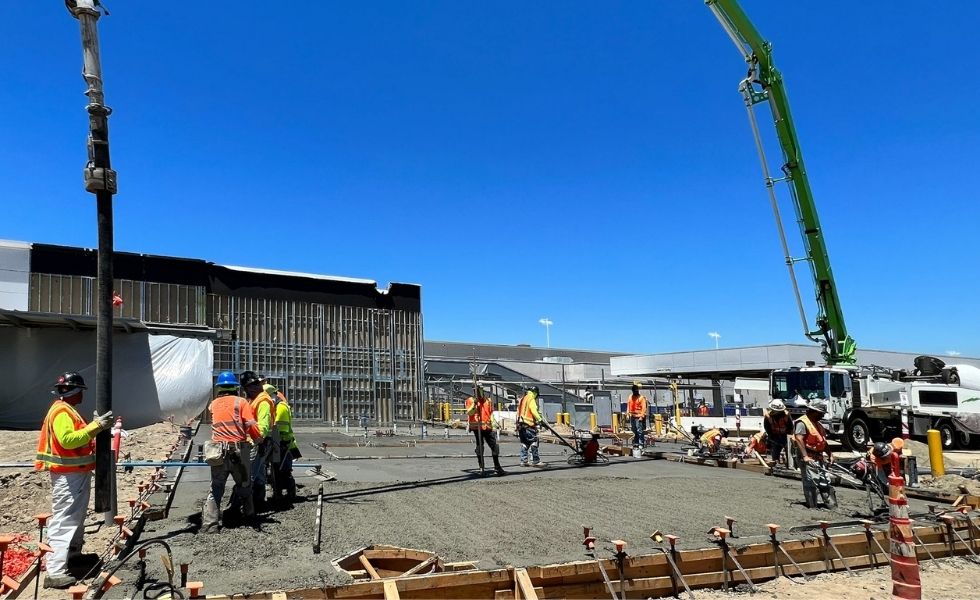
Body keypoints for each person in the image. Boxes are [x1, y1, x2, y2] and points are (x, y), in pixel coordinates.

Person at [35, 372, 113, 589]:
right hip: (68, 475)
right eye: (81, 392)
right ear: (75, 391)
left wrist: (94, 426)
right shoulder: (61, 412)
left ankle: (73, 556)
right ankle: (56, 571)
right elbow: (68, 441)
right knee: (65, 519)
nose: (82, 396)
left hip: (74, 473)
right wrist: (96, 426)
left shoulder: (68, 411)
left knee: (75, 517)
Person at [202, 371, 262, 532]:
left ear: (220, 388)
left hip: (218, 451)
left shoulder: (213, 404)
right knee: (245, 486)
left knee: (216, 488)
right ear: (236, 387)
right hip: (239, 450)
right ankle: (249, 518)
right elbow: (250, 424)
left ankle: (210, 525)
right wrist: (258, 439)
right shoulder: (241, 402)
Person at [241, 370, 278, 510]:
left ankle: (250, 505)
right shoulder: (255, 400)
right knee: (259, 474)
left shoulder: (263, 401)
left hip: (260, 442)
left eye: (246, 388)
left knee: (251, 474)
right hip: (258, 441)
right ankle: (259, 503)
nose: (246, 392)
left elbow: (263, 425)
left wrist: (257, 441)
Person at [793, 400, 836, 508]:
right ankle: (812, 505)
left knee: (825, 480)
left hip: (819, 456)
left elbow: (822, 441)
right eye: (821, 413)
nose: (822, 415)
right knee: (811, 482)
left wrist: (830, 454)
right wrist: (805, 456)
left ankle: (830, 504)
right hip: (808, 456)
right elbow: (799, 439)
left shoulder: (818, 424)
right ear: (814, 411)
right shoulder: (802, 423)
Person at [268, 383, 301, 502]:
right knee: (276, 471)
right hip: (279, 443)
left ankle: (289, 494)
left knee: (283, 471)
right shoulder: (275, 406)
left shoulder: (280, 407)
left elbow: (280, 428)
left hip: (283, 444)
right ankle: (278, 494)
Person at [465, 387, 505, 476]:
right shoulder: (471, 401)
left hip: (487, 427)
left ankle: (497, 467)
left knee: (494, 446)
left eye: (479, 391)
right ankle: (481, 467)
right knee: (480, 446)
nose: (478, 393)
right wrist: (474, 404)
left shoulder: (488, 401)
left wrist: (495, 425)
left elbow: (490, 414)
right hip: (477, 427)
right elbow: (469, 412)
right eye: (476, 391)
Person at [517, 386, 546, 467]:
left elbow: (518, 411)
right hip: (528, 425)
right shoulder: (531, 399)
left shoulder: (523, 399)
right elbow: (533, 410)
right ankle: (535, 460)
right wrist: (540, 420)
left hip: (521, 425)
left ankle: (524, 460)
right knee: (534, 441)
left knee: (525, 443)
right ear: (535, 393)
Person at [763, 399, 792, 464]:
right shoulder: (768, 416)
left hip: (785, 436)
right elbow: (767, 428)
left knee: (789, 453)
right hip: (774, 437)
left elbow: (790, 427)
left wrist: (790, 437)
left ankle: (790, 465)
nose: (778, 413)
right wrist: (771, 437)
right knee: (775, 452)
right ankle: (776, 464)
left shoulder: (786, 415)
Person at [627, 384, 648, 448]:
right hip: (632, 416)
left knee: (639, 431)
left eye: (636, 391)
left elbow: (644, 408)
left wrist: (641, 417)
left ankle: (641, 443)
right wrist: (627, 414)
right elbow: (628, 405)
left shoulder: (641, 398)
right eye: (634, 391)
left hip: (638, 416)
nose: (635, 392)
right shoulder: (630, 397)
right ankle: (636, 443)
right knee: (634, 430)